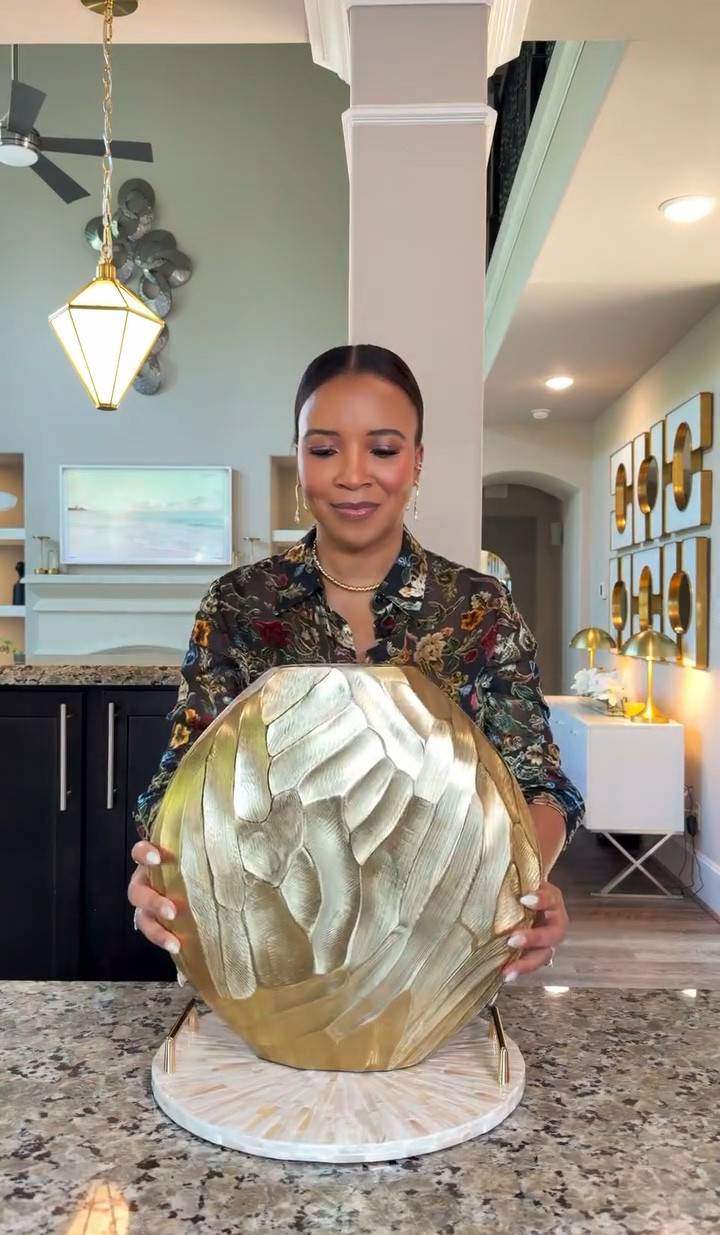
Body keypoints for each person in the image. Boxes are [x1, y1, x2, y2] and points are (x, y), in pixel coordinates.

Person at [129, 344, 584, 983]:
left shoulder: (478, 609)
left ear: (417, 461)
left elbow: (538, 785)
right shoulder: (240, 604)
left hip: (436, 968)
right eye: (324, 450)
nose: (352, 474)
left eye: (384, 448)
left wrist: (524, 886)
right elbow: (182, 780)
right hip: (262, 964)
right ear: (299, 459)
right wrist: (155, 866)